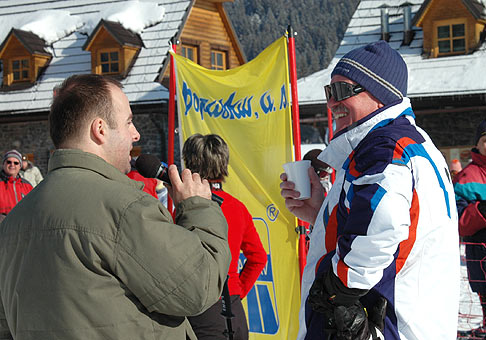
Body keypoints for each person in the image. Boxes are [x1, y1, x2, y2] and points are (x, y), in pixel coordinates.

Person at [0, 74, 231, 339]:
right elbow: (198, 287)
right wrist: (199, 208)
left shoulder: (14, 222)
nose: (136, 134)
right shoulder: (125, 209)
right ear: (100, 130)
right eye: (129, 122)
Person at [280, 41, 459, 340]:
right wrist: (321, 214)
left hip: (387, 326)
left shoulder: (384, 148)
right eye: (328, 92)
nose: (331, 103)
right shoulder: (407, 142)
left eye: (340, 92)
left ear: (380, 94)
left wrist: (337, 290)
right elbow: (394, 226)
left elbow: (383, 224)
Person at [183, 133, 267, 340]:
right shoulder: (237, 207)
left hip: (203, 310)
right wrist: (238, 291)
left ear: (190, 164)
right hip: (234, 309)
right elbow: (258, 257)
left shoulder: (188, 208)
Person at [454, 119, 486, 338]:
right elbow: (459, 222)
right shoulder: (468, 176)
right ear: (478, 144)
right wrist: (481, 211)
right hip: (482, 256)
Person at [0, 149, 33, 219]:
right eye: (9, 162)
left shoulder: (27, 186)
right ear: (3, 164)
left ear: (20, 166)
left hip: (23, 226)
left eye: (16, 163)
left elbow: (35, 206)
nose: (12, 165)